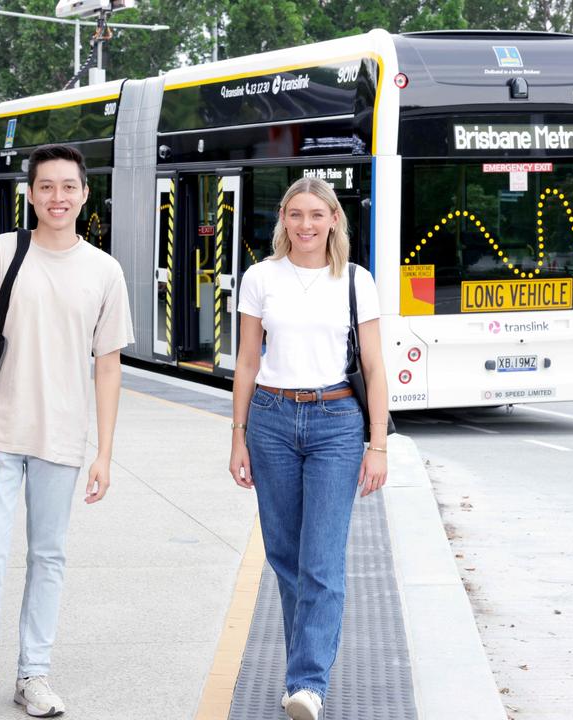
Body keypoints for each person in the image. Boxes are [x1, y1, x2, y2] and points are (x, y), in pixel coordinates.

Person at [0, 144, 134, 720]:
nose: (58, 197)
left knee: (48, 558)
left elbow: (108, 364)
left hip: (62, 440)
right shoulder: (3, 254)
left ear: (84, 194)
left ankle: (33, 675)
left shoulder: (104, 270)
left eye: (68, 187)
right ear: (30, 194)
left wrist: (104, 452)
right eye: (46, 186)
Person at [228, 177, 389, 720]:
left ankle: (308, 683)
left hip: (337, 422)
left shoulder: (357, 282)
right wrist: (238, 436)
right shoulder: (260, 278)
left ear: (334, 220)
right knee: (285, 557)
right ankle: (306, 670)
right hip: (270, 421)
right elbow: (247, 362)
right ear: (283, 219)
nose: (305, 225)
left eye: (316, 215)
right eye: (295, 215)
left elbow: (373, 367)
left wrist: (379, 444)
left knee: (321, 561)